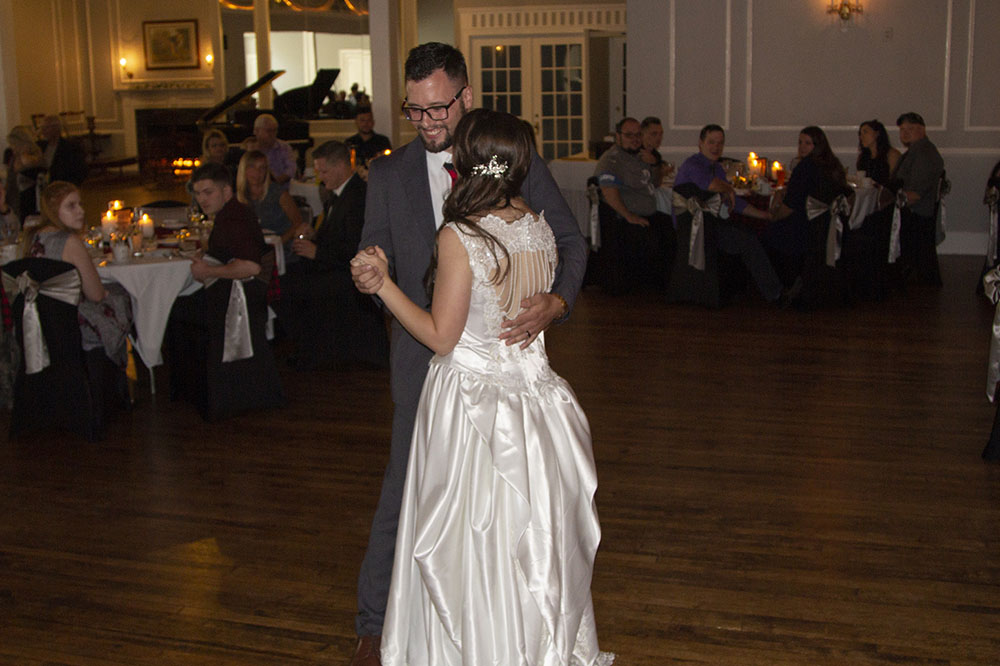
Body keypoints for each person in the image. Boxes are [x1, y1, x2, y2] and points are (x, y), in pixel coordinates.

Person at [347, 42, 587, 666]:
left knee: (498, 510)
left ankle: (492, 628)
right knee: (406, 495)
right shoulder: (389, 173)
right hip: (422, 365)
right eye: (415, 110)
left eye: (438, 108)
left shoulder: (510, 160)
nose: (427, 122)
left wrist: (557, 301)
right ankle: (375, 623)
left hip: (501, 371)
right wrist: (371, 269)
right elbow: (376, 249)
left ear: (466, 96)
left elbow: (569, 240)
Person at [275, 140, 387, 369]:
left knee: (288, 288)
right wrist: (315, 235)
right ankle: (310, 347)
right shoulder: (339, 193)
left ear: (341, 167)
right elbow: (337, 235)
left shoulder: (357, 197)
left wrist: (317, 252)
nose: (320, 177)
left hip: (349, 274)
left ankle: (314, 352)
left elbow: (355, 248)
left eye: (324, 171)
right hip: (334, 264)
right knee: (283, 279)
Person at [20, 181, 131, 367]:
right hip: (70, 322)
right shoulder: (69, 242)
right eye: (71, 206)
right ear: (54, 210)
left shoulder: (32, 238)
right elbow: (96, 294)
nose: (81, 211)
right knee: (123, 296)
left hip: (41, 319)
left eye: (80, 204)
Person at [673, 124, 783, 304]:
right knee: (746, 240)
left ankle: (762, 288)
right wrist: (728, 189)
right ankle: (775, 294)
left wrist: (764, 215)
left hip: (710, 224)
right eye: (711, 142)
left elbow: (735, 203)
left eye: (720, 143)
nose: (716, 147)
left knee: (749, 233)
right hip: (694, 229)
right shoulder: (692, 165)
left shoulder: (716, 168)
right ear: (700, 143)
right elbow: (709, 184)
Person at [593, 116, 676, 291]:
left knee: (672, 229)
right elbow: (608, 191)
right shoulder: (612, 160)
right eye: (629, 135)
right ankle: (648, 286)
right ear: (618, 136)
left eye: (638, 135)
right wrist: (629, 216)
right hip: (624, 217)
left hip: (648, 212)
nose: (635, 139)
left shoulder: (640, 156)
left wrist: (655, 165)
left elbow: (654, 184)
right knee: (651, 238)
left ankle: (669, 286)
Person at [764, 125, 847, 288]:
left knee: (767, 232)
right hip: (825, 222)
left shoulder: (805, 168)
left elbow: (790, 206)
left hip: (805, 224)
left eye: (807, 143)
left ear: (818, 145)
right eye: (800, 142)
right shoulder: (833, 165)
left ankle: (781, 283)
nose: (802, 147)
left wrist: (774, 215)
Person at [891, 111, 944, 286]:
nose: (905, 133)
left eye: (910, 129)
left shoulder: (924, 154)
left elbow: (915, 194)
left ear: (922, 130)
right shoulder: (915, 151)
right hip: (912, 210)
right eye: (902, 129)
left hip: (916, 213)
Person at [235, 150, 302, 246]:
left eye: (262, 168)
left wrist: (278, 243)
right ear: (243, 170)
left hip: (282, 246)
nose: (257, 172)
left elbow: (297, 223)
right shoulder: (238, 198)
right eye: (252, 167)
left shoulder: (279, 194)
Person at [239, 114, 297, 187]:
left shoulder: (284, 147)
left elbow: (291, 169)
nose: (272, 134)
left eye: (275, 130)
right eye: (269, 131)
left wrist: (276, 183)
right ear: (256, 131)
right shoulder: (249, 148)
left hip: (281, 187)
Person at [5, 125, 45, 221]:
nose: (12, 147)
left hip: (27, 197)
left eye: (13, 144)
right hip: (17, 195)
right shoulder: (19, 155)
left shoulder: (29, 157)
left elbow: (19, 170)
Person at [37, 115, 87, 186]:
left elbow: (80, 171)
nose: (43, 131)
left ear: (56, 129)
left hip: (61, 184)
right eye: (42, 128)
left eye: (46, 128)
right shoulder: (40, 146)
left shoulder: (70, 148)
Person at [855, 119, 900, 187]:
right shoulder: (862, 157)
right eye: (860, 134)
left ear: (877, 134)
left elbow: (895, 181)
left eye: (865, 132)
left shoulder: (892, 155)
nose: (861, 137)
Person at [639, 116, 667, 188]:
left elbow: (656, 184)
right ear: (642, 134)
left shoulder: (656, 155)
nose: (658, 138)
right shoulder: (636, 153)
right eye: (654, 134)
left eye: (661, 134)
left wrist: (656, 165)